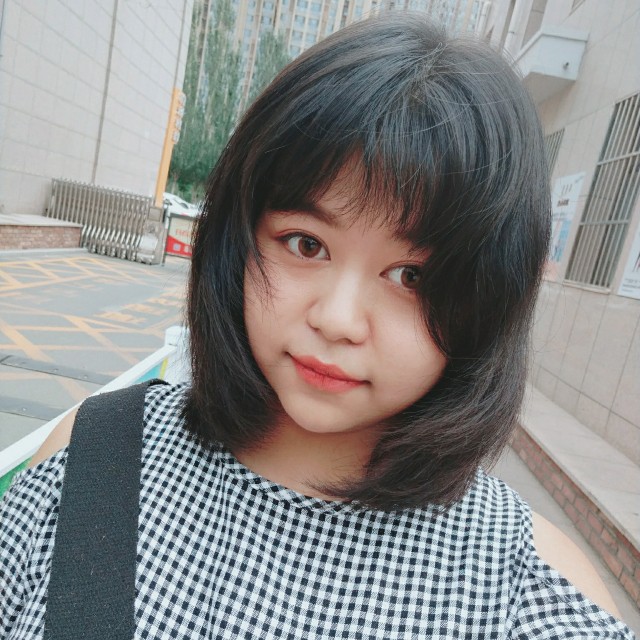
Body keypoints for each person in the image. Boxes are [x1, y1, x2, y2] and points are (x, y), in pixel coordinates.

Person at [1, 12, 636, 639]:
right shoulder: (95, 457)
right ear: (237, 237)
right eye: (306, 244)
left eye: (411, 276)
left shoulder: (529, 593)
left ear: (490, 302)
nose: (336, 320)